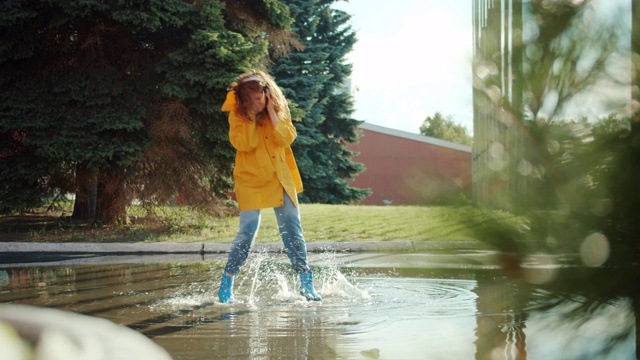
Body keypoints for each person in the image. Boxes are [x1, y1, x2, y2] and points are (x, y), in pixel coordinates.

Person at [217, 70, 322, 303]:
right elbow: (245, 143)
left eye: (260, 98)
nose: (257, 103)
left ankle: (306, 281)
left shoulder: (279, 110)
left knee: (292, 229)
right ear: (243, 101)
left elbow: (286, 138)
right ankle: (227, 281)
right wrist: (251, 116)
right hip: (250, 180)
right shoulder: (237, 116)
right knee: (247, 232)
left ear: (267, 93)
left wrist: (273, 113)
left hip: (280, 178)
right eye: (250, 100)